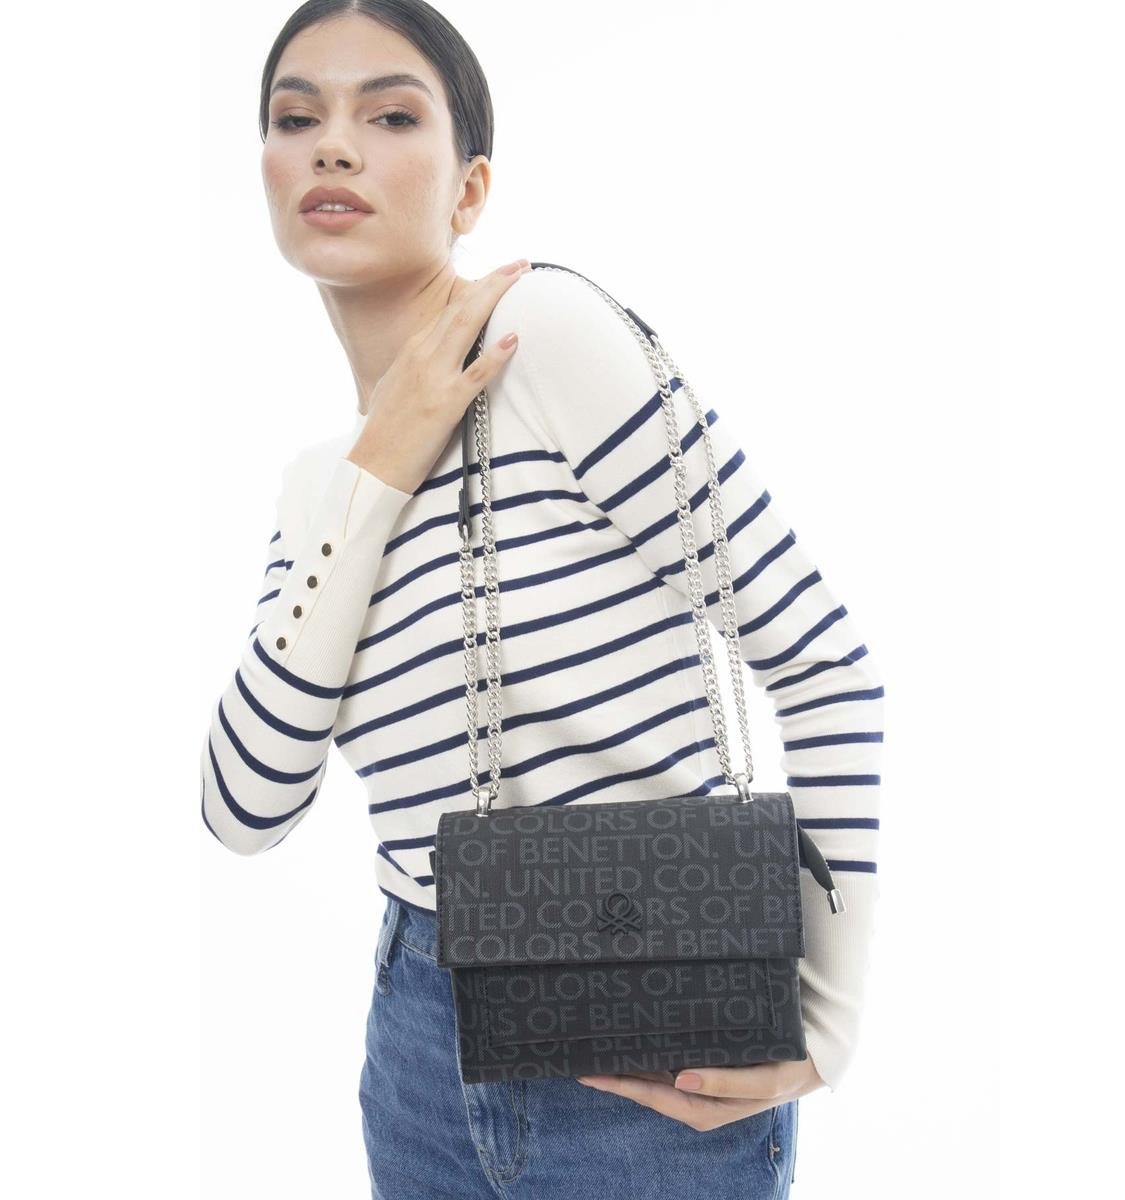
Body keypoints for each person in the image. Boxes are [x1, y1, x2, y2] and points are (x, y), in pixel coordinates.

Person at [201, 2, 885, 1196]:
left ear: (469, 190)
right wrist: (378, 468)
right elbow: (244, 806)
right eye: (295, 118)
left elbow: (822, 657)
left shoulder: (541, 336)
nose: (333, 145)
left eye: (390, 116)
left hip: (649, 1026)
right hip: (418, 1043)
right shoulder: (320, 490)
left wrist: (825, 1018)